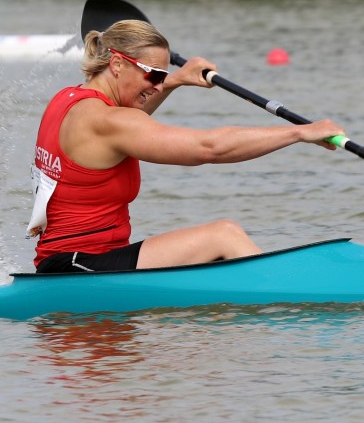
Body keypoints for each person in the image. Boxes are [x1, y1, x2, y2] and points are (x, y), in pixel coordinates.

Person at [26, 20, 346, 273]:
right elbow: (209, 148)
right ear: (117, 64)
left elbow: (128, 120)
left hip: (71, 261)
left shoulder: (68, 100)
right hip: (77, 268)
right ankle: (287, 300)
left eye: (161, 76)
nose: (156, 85)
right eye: (152, 75)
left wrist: (175, 80)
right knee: (224, 235)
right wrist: (300, 133)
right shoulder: (108, 121)